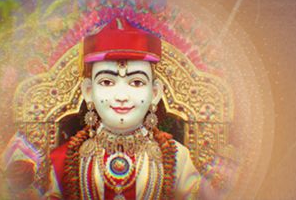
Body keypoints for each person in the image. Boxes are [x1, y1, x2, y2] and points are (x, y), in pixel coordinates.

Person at [21, 18, 213, 199]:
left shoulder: (177, 158)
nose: (122, 96)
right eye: (107, 82)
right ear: (89, 91)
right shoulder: (64, 160)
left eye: (136, 82)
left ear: (155, 93)